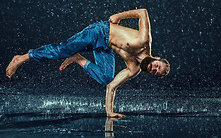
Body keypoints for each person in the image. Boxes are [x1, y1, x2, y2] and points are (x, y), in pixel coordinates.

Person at [6, 9, 170, 118]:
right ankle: (23, 57)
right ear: (157, 58)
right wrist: (119, 17)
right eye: (157, 65)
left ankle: (77, 58)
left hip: (104, 48)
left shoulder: (134, 69)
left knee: (106, 78)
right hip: (99, 31)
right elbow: (143, 12)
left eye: (155, 72)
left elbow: (111, 87)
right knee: (63, 50)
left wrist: (109, 112)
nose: (154, 68)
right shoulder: (144, 40)